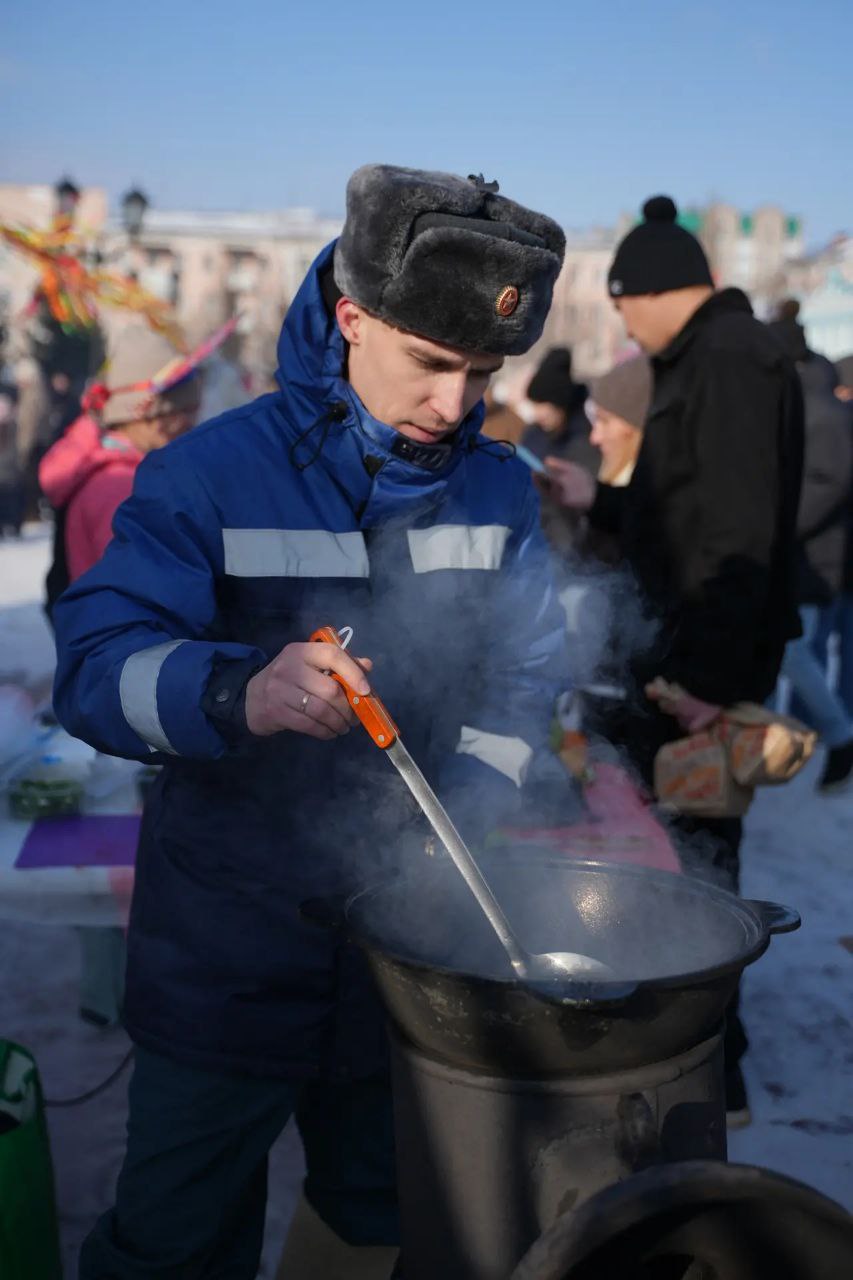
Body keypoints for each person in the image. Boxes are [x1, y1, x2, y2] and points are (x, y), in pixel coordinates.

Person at [53, 165, 569, 1280]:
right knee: (177, 1238)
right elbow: (94, 667)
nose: (456, 404)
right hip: (227, 946)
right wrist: (237, 690)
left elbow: (530, 668)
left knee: (381, 1217)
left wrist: (473, 798)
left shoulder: (496, 487)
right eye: (432, 363)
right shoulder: (207, 473)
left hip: (406, 951)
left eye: (482, 372)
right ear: (351, 317)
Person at [543, 194, 804, 1125]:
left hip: (696, 679)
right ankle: (698, 1058)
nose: (619, 325)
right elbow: (682, 517)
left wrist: (705, 682)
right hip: (687, 662)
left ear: (650, 292)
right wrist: (603, 504)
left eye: (620, 305)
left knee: (696, 868)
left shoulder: (727, 361)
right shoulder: (707, 359)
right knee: (679, 860)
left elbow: (733, 537)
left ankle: (706, 1073)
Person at [766, 329, 853, 791]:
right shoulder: (803, 400)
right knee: (781, 650)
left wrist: (777, 526)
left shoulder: (821, 410)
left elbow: (830, 481)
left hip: (811, 560)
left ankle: (840, 736)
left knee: (794, 651)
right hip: (795, 555)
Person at [521, 346, 599, 473]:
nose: (538, 414)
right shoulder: (533, 434)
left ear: (560, 404)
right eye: (535, 405)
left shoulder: (587, 440)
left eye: (544, 404)